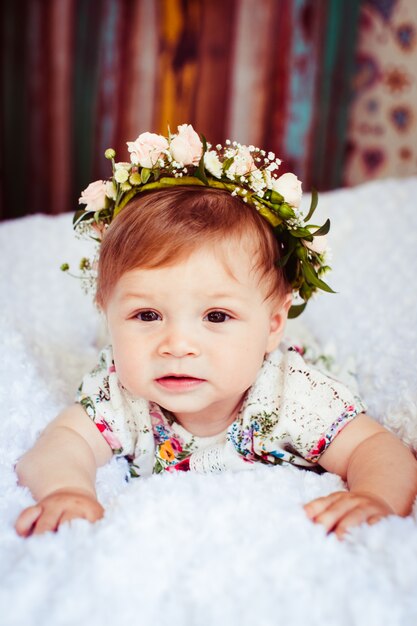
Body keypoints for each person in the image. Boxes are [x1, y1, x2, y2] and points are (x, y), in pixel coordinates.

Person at [14, 124, 417, 539]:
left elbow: (377, 449)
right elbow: (61, 443)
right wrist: (66, 489)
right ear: (106, 313)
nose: (178, 346)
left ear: (274, 326)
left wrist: (376, 497)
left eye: (217, 317)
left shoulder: (290, 395)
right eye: (147, 316)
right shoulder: (121, 395)